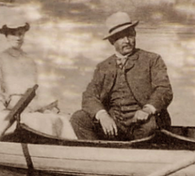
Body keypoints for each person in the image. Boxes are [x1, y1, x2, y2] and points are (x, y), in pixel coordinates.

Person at [70, 12, 173, 141]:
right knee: (78, 119)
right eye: (120, 37)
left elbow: (164, 90)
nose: (127, 41)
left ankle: (136, 151)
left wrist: (147, 110)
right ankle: (99, 150)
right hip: (115, 123)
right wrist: (102, 115)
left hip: (143, 122)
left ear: (135, 34)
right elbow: (89, 96)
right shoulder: (103, 67)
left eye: (130, 35)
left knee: (150, 126)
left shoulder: (152, 60)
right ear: (112, 41)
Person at [0, 20, 68, 138]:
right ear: (6, 36)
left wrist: (46, 104)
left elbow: (37, 88)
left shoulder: (29, 60)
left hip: (32, 104)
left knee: (60, 120)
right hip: (13, 107)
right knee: (35, 121)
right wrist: (5, 106)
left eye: (20, 34)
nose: (18, 38)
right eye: (13, 34)